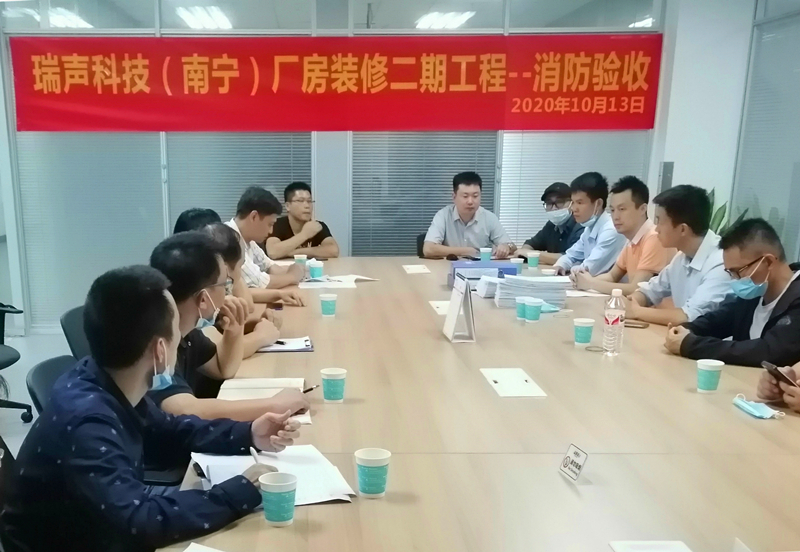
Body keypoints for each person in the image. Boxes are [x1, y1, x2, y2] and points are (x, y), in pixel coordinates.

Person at [0, 266, 300, 552]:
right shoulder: (88, 422)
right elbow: (139, 522)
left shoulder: (102, 376)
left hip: (99, 524)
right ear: (160, 350)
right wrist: (239, 491)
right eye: (176, 333)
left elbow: (169, 429)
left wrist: (249, 433)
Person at [149, 232, 308, 421]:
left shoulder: (186, 329)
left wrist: (234, 328)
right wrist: (274, 405)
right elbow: (183, 409)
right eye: (225, 285)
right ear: (203, 299)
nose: (228, 293)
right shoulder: (154, 339)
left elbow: (222, 368)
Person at [665, 218, 800, 366]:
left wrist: (691, 345)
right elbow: (717, 321)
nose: (735, 279)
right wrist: (687, 329)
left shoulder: (796, 299)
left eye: (738, 271)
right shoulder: (754, 295)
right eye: (730, 273)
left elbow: (769, 351)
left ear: (768, 262)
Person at [625, 185, 731, 326]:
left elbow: (688, 317)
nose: (656, 229)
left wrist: (637, 312)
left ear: (682, 229)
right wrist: (634, 301)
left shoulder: (722, 263)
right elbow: (650, 291)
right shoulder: (682, 256)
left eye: (660, 221)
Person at [574, 176, 674, 295]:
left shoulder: (654, 238)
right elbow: (612, 276)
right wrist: (581, 281)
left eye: (622, 209)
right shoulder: (631, 239)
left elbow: (636, 289)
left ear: (642, 209)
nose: (615, 216)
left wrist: (591, 283)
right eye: (612, 210)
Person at [202, 223, 284, 359]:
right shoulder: (202, 297)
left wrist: (257, 324)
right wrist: (260, 336)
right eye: (241, 265)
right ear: (224, 268)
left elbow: (221, 329)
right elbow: (217, 352)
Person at [226, 187, 306, 300]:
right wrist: (292, 276)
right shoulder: (228, 240)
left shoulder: (248, 239)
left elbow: (269, 266)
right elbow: (259, 282)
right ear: (254, 217)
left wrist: (295, 269)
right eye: (270, 224)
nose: (271, 231)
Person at [423, 171, 515, 259]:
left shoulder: (489, 218)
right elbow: (428, 249)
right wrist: (467, 251)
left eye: (475, 196)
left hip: (480, 267)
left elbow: (512, 247)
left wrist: (506, 247)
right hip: (448, 267)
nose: (470, 201)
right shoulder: (443, 215)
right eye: (465, 196)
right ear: (454, 197)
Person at [554, 172, 627, 276]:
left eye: (580, 203)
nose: (573, 208)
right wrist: (560, 265)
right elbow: (570, 256)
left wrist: (574, 267)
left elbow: (588, 270)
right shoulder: (589, 228)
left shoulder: (611, 230)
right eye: (573, 202)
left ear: (599, 204)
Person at [266, 182, 340, 260]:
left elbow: (333, 251)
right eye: (301, 201)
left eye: (309, 201)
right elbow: (273, 252)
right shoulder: (276, 224)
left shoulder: (317, 226)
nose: (307, 206)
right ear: (288, 206)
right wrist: (305, 234)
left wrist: (293, 252)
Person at [516, 182, 583, 265]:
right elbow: (530, 244)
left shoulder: (580, 226)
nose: (554, 208)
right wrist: (525, 252)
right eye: (549, 203)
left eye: (559, 202)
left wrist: (532, 254)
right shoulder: (551, 225)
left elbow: (571, 258)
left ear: (571, 203)